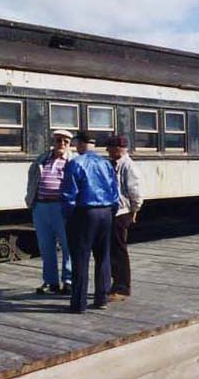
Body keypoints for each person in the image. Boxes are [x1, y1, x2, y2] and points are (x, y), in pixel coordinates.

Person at [61, 132, 119, 313]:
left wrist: (67, 215)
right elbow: (114, 189)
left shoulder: (75, 163)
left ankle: (78, 303)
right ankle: (101, 298)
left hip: (84, 212)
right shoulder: (106, 163)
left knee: (81, 258)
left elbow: (69, 194)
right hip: (106, 211)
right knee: (103, 256)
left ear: (79, 143)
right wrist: (112, 210)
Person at [25, 130, 74, 295]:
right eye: (58, 140)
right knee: (46, 246)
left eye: (65, 141)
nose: (61, 144)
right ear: (53, 141)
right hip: (41, 206)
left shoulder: (72, 161)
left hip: (61, 207)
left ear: (69, 144)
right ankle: (50, 281)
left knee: (68, 245)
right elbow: (32, 179)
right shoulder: (42, 159)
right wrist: (30, 199)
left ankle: (68, 280)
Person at [106, 135, 144, 301]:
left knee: (119, 250)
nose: (107, 150)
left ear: (118, 148)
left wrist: (134, 210)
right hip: (114, 211)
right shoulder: (114, 164)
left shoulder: (128, 166)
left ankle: (122, 287)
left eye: (110, 147)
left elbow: (135, 191)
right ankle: (115, 283)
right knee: (113, 249)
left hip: (122, 212)